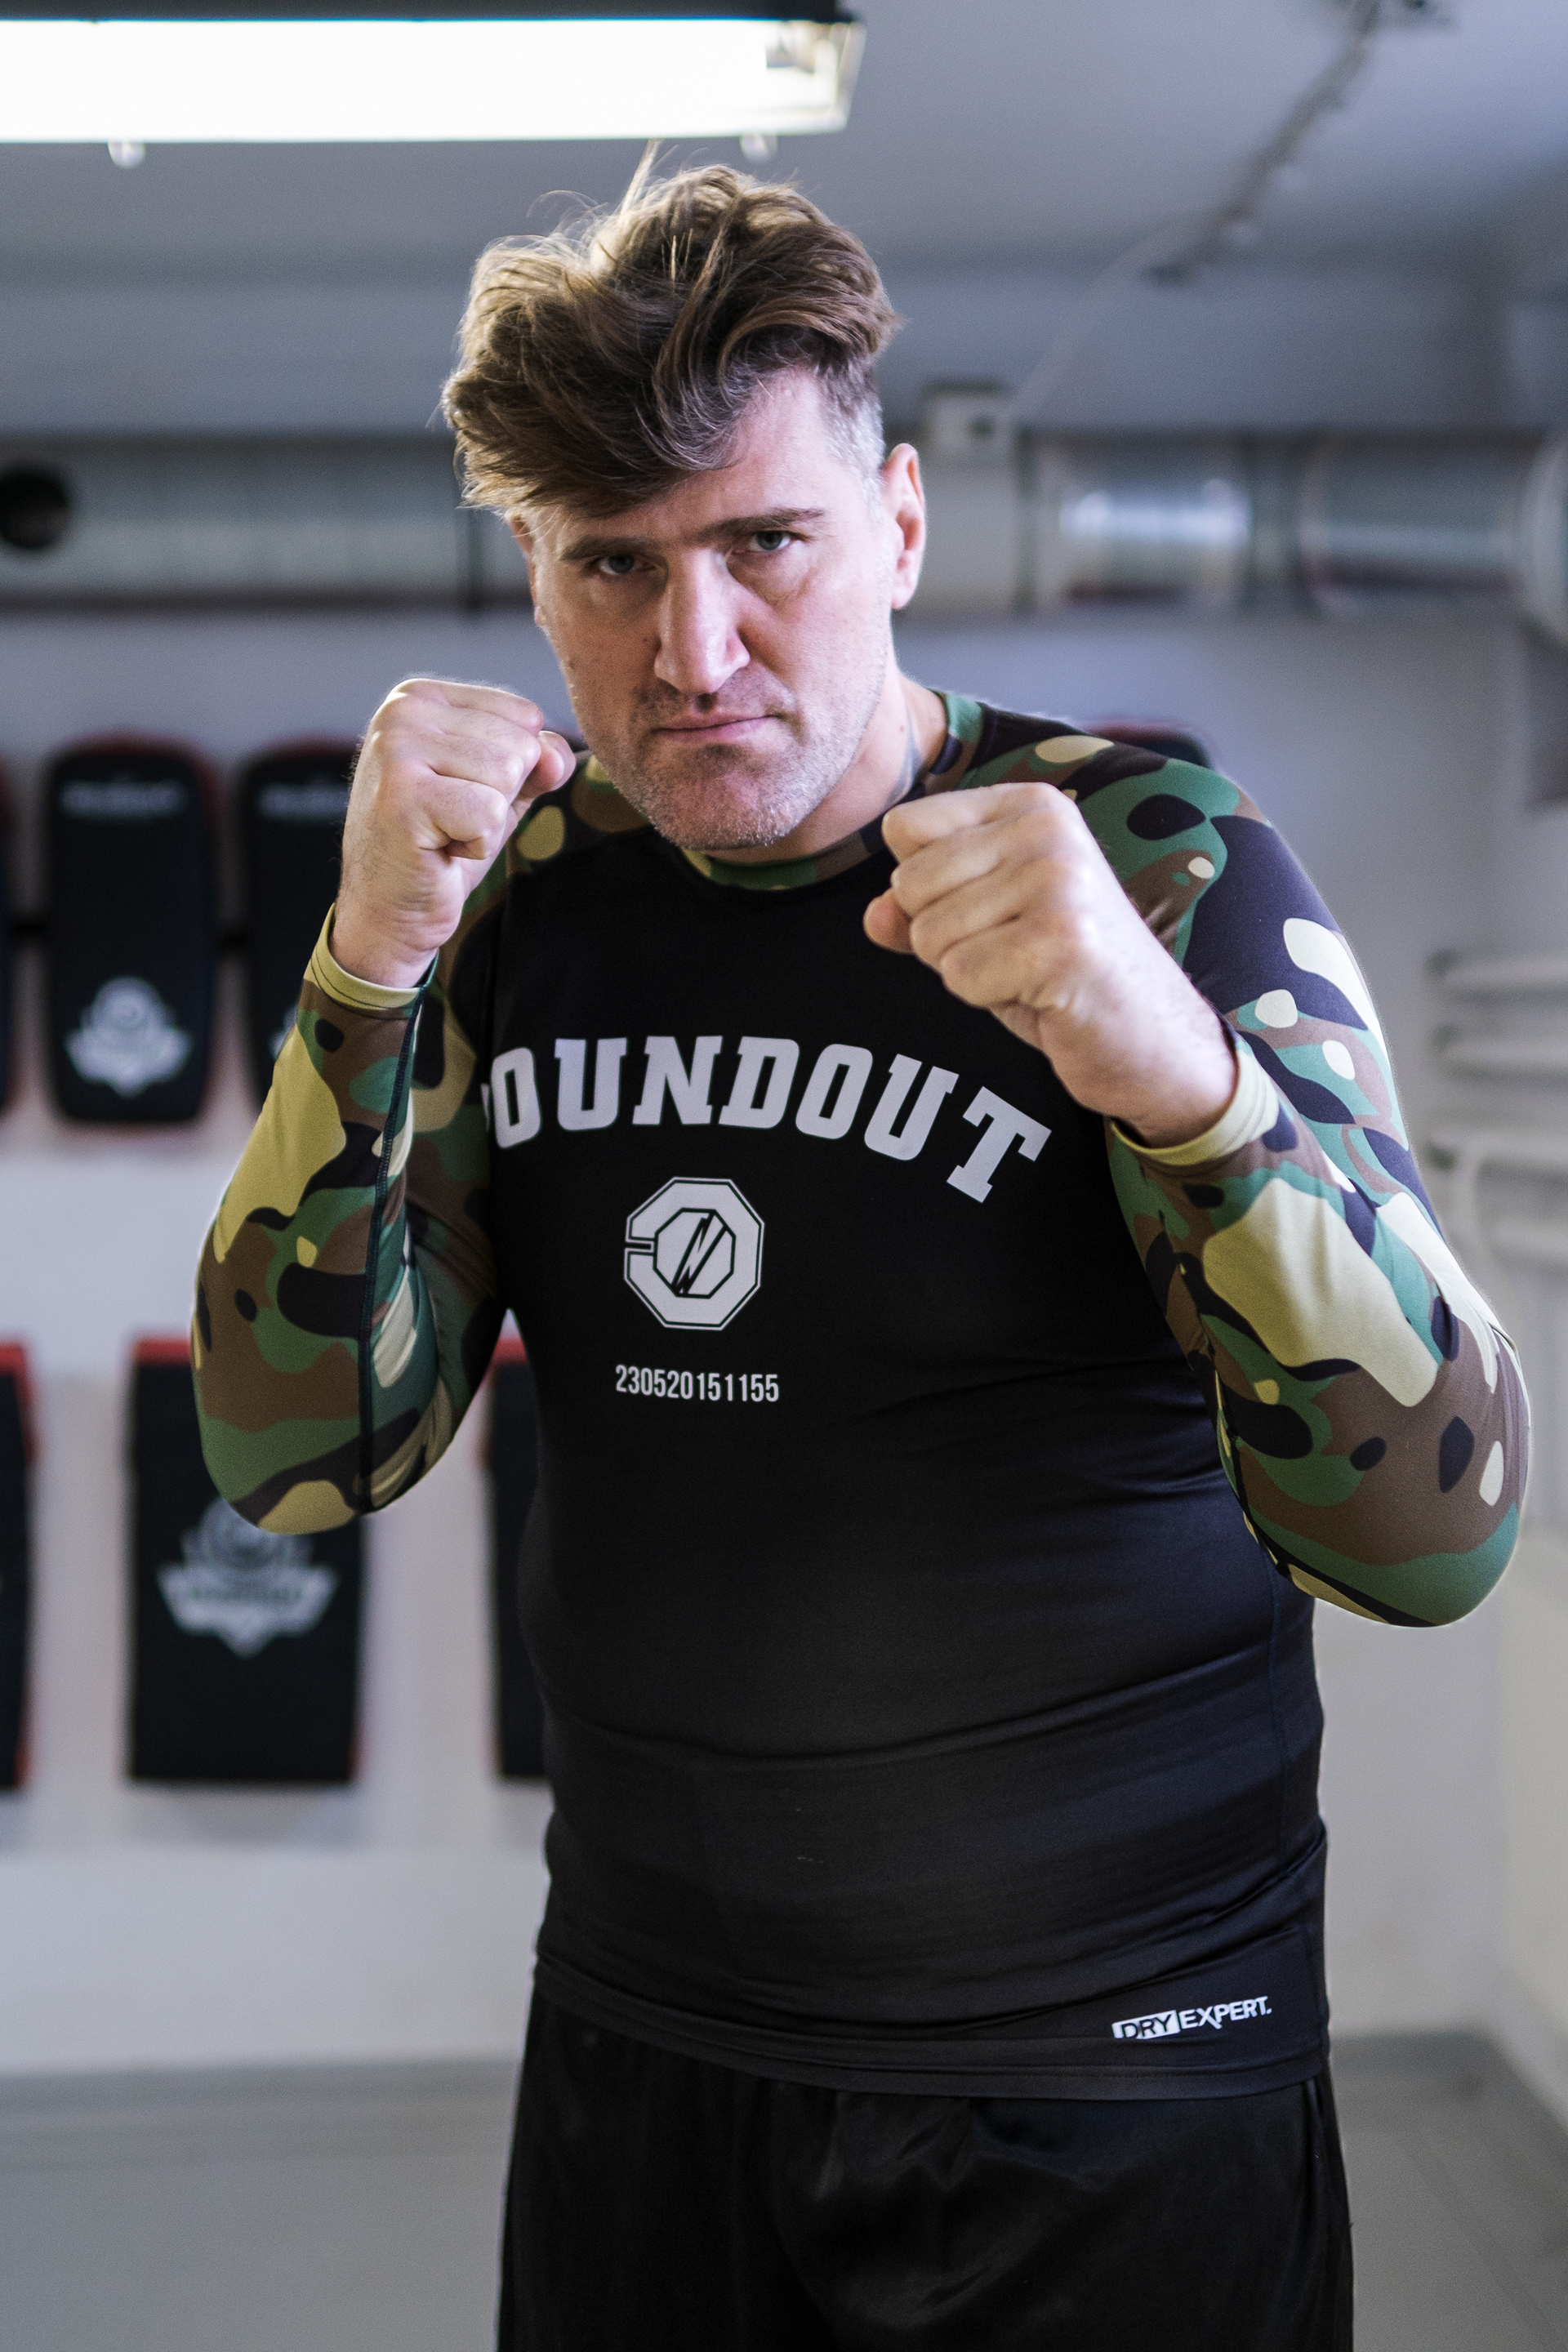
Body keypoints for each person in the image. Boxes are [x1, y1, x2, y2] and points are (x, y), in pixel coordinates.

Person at [193, 165, 1526, 2350]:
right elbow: (295, 1456)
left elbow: (1434, 1541)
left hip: (1113, 2071)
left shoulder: (1163, 865)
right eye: (613, 564)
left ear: (899, 526)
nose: (692, 654)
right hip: (651, 2044)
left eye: (765, 547)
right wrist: (360, 973)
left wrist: (1174, 1075)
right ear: (534, 572)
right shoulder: (514, 902)